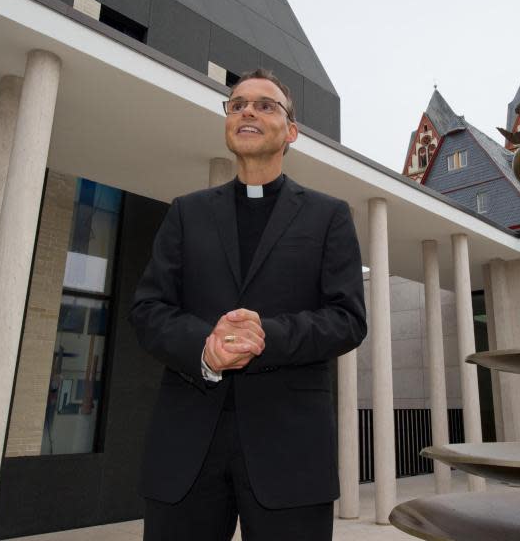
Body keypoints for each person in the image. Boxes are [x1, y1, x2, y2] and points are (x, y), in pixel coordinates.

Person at [129, 69, 367, 540]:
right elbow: (148, 310)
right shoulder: (186, 212)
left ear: (291, 131)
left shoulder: (329, 216)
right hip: (185, 449)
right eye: (236, 104)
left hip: (291, 451)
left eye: (265, 104)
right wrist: (205, 346)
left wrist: (267, 337)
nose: (247, 111)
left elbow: (348, 319)